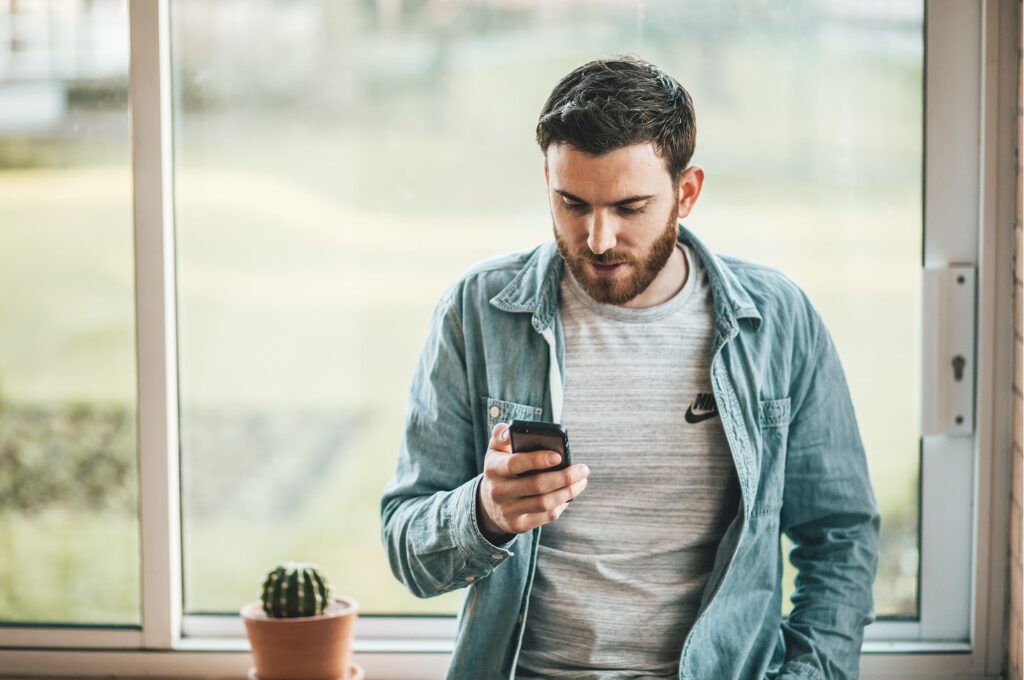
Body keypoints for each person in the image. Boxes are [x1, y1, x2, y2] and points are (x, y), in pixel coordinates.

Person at [380, 54, 880, 680]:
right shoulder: (477, 312)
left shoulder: (779, 322)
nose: (597, 238)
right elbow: (407, 545)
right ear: (546, 181)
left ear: (687, 192)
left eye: (629, 207)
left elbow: (840, 536)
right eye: (571, 203)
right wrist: (486, 513)